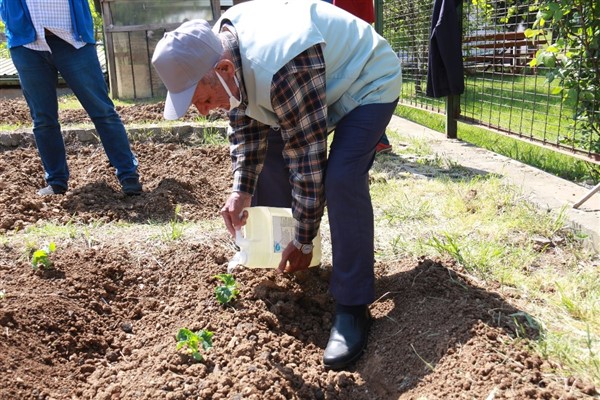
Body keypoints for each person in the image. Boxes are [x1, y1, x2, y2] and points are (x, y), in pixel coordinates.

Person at [152, 0, 401, 369]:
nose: (203, 110)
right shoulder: (219, 47)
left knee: (341, 177)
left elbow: (307, 158)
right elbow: (246, 126)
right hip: (316, 85)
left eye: (202, 99)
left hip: (366, 80)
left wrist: (304, 234)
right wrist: (241, 189)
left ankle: (352, 305)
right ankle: (284, 254)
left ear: (222, 70)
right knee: (266, 152)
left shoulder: (282, 64)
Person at [0, 0, 142, 196]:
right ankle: (56, 182)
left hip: (73, 39)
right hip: (27, 42)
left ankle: (128, 176)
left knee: (102, 111)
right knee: (43, 118)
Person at [331, 0, 393, 154]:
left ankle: (378, 140)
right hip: (355, 26)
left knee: (350, 84)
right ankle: (379, 139)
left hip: (349, 27)